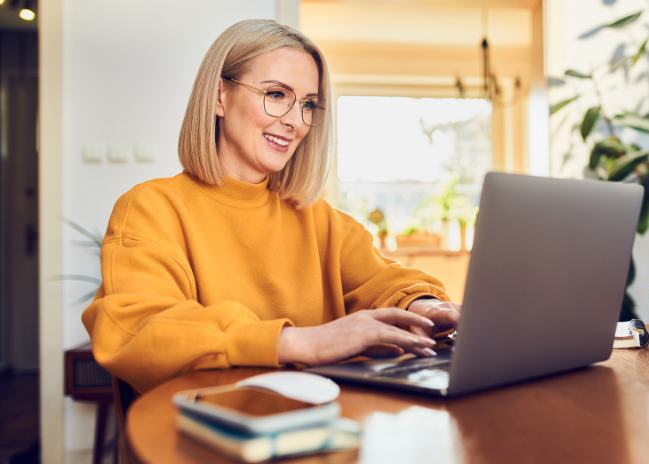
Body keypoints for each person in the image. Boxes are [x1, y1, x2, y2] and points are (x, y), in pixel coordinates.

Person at [82, 19, 461, 393]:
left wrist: (423, 306)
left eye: (308, 104)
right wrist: (300, 343)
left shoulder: (315, 217)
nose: (295, 122)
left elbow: (386, 280)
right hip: (202, 436)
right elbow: (138, 329)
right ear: (219, 96)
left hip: (320, 430)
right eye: (276, 95)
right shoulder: (151, 208)